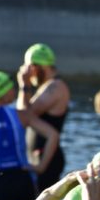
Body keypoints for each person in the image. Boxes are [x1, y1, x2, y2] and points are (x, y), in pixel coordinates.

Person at [0, 71, 58, 200]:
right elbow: (53, 135)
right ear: (6, 93)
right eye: (12, 88)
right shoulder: (21, 115)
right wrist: (41, 166)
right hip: (22, 177)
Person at [17, 43, 69, 191]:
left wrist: (24, 85)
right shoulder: (47, 87)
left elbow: (25, 114)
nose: (29, 73)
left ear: (36, 67)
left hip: (48, 160)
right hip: (42, 157)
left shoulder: (55, 87)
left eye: (29, 68)